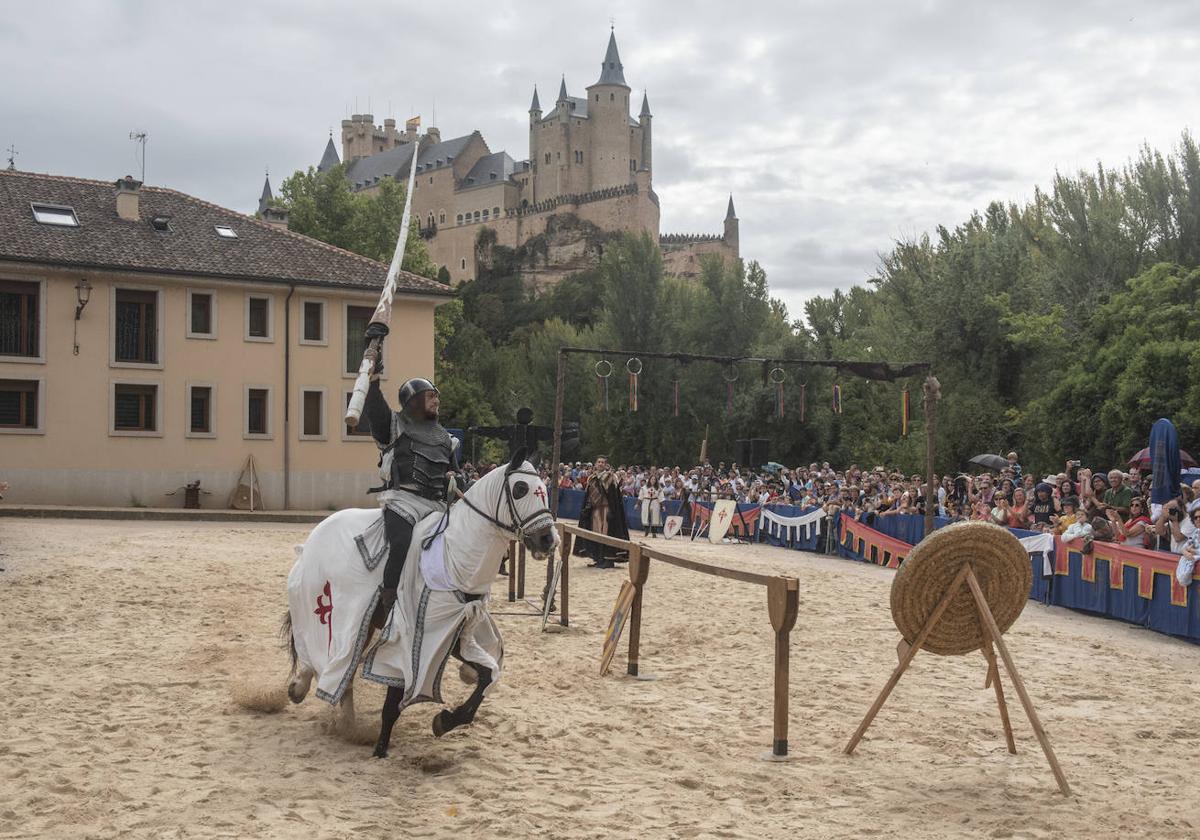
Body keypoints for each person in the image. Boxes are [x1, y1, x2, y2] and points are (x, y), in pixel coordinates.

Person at [361, 325, 458, 616]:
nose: (437, 401)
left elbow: (453, 471)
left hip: (438, 506)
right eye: (431, 397)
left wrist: (456, 477)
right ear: (414, 400)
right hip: (403, 502)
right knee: (401, 542)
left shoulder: (445, 438)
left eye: (437, 397)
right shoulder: (393, 425)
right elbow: (373, 402)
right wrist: (372, 363)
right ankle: (388, 596)